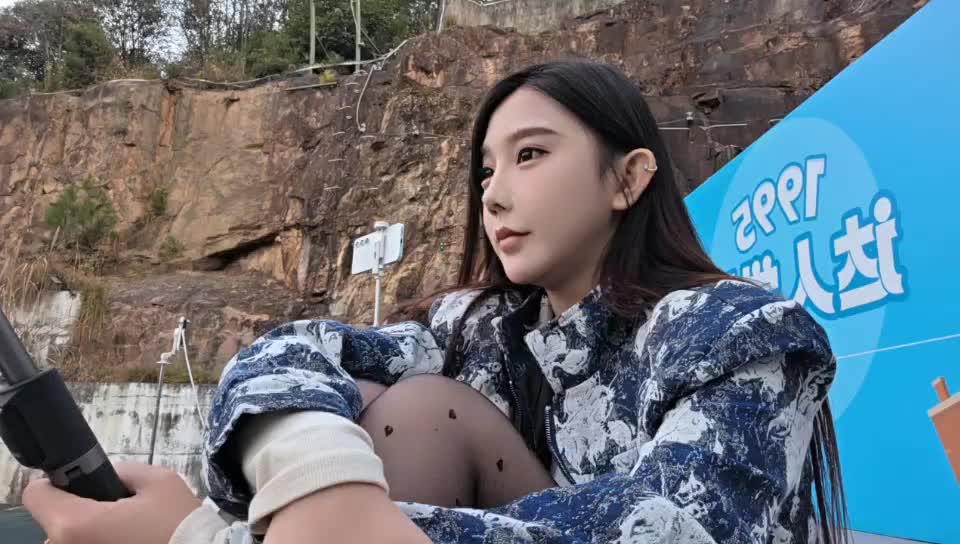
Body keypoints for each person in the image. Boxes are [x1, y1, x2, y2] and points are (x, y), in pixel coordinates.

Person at [22, 59, 848, 544]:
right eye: (485, 170)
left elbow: (671, 528)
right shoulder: (479, 328)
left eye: (530, 155)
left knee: (422, 410)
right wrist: (317, 474)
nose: (494, 194)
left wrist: (214, 536)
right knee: (383, 398)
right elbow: (293, 350)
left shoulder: (737, 332)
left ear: (628, 178)